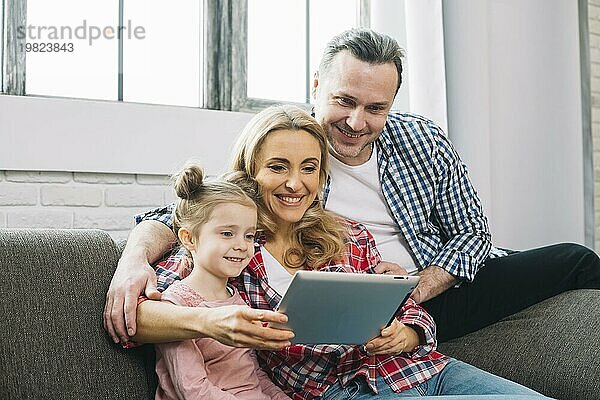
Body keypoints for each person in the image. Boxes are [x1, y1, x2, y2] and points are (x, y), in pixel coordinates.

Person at [103, 28, 600, 346]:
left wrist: (414, 287)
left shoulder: (422, 140)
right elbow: (185, 216)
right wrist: (132, 261)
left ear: (392, 101)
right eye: (344, 100)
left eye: (376, 108)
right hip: (352, 309)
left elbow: (472, 232)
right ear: (316, 85)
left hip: (430, 288)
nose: (357, 122)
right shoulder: (288, 154)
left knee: (577, 259)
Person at [139, 105, 549, 399]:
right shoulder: (228, 247)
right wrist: (211, 319)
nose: (295, 184)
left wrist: (408, 332)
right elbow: (144, 317)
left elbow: (405, 305)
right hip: (335, 388)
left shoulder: (350, 236)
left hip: (420, 370)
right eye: (278, 167)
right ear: (249, 172)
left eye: (309, 168)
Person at [153, 164, 290, 399]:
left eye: (249, 235)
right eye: (227, 233)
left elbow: (253, 375)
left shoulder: (236, 298)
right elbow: (193, 390)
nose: (242, 245)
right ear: (189, 238)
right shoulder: (176, 306)